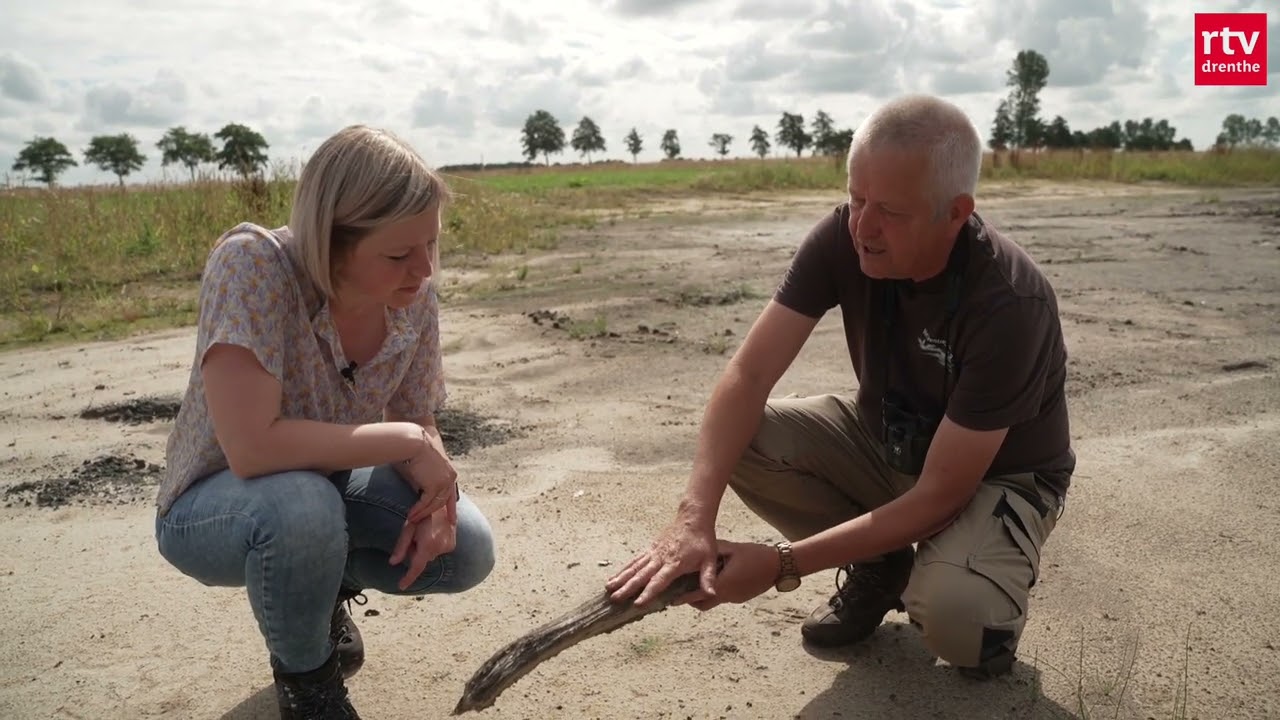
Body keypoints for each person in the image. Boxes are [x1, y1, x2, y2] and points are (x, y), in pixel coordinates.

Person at [606, 94, 1073, 679]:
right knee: (742, 437)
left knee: (957, 617)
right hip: (888, 439)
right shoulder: (843, 238)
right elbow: (747, 376)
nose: (863, 228)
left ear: (955, 212)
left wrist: (782, 564)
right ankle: (882, 566)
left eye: (891, 212)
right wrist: (692, 518)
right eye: (855, 199)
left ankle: (977, 594)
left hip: (994, 477)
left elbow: (941, 496)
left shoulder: (1008, 301)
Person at [154, 125, 495, 719]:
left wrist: (437, 498)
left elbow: (416, 417)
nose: (423, 268)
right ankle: (309, 687)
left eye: (431, 246)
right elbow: (252, 449)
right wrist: (408, 442)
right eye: (398, 254)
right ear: (330, 240)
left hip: (329, 487)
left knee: (465, 549)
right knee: (302, 506)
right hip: (215, 508)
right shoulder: (254, 264)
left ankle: (318, 593)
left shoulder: (413, 300)